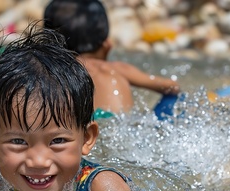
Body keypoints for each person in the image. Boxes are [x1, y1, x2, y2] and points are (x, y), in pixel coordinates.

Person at [0, 25, 144, 191]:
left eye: (58, 140)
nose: (38, 161)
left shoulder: (101, 188)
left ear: (87, 138)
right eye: (19, 141)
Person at [43, 0, 181, 117]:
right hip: (121, 131)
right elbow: (172, 87)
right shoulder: (118, 69)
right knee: (172, 96)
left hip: (87, 131)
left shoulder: (53, 72)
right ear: (107, 45)